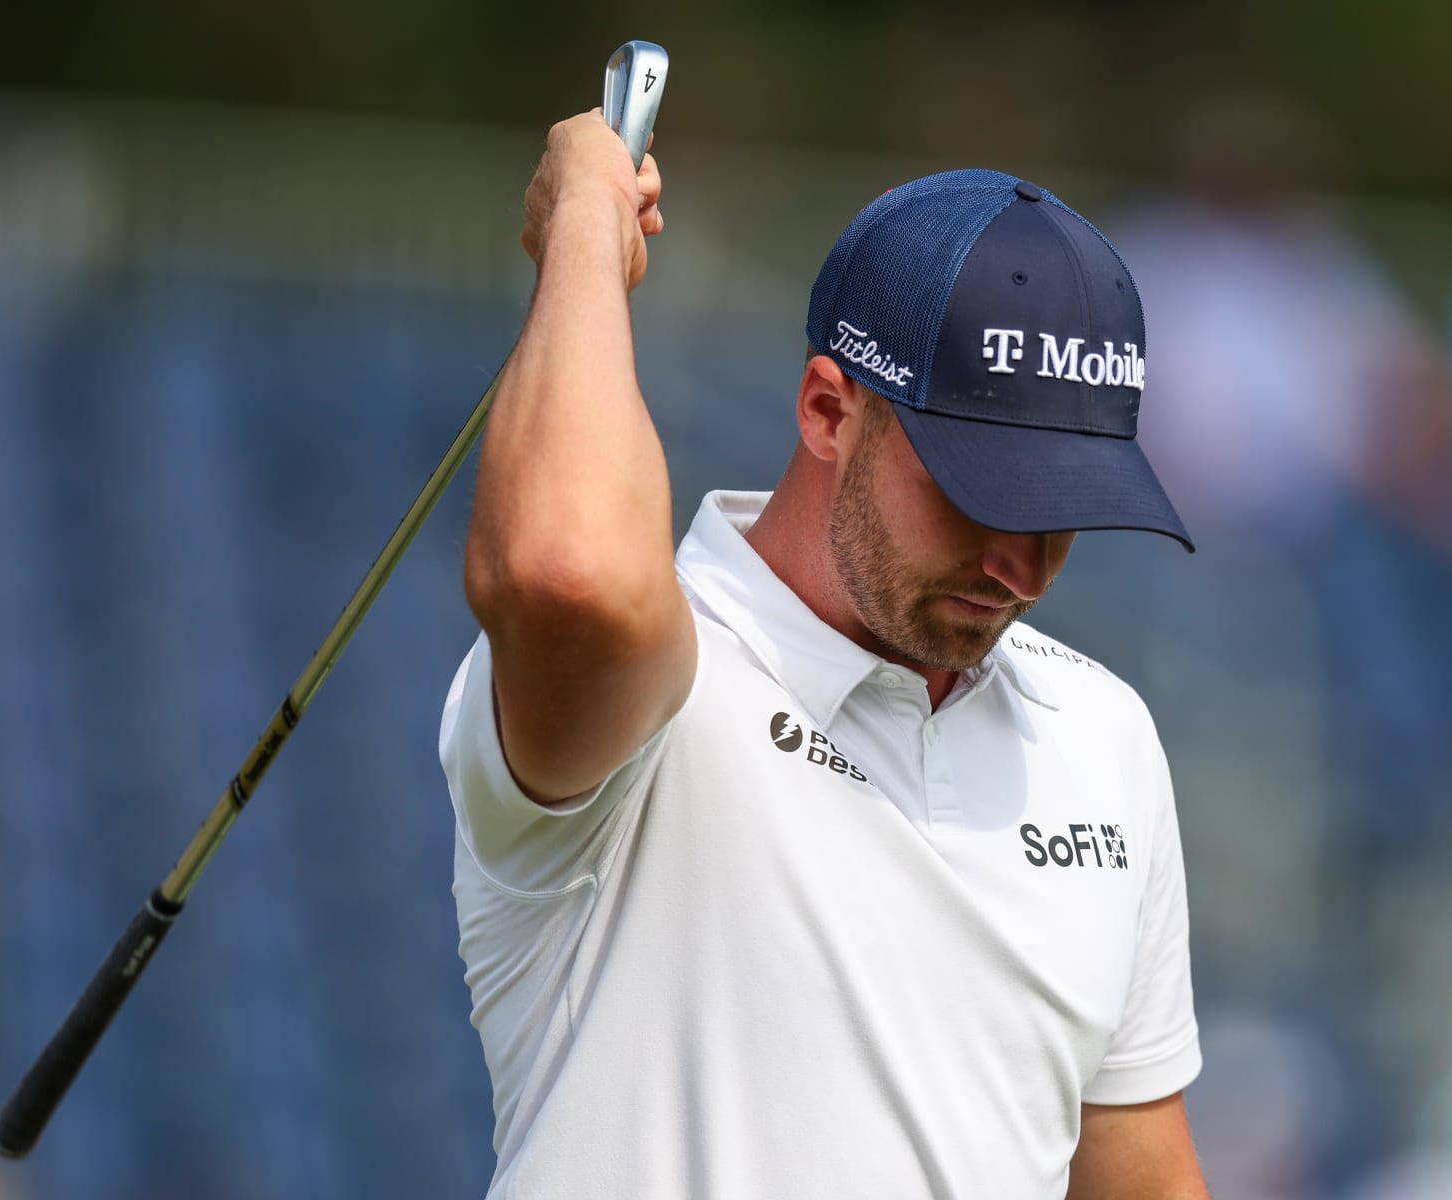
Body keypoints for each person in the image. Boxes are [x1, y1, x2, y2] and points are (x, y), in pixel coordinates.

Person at [440, 109, 1209, 1199]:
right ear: (826, 410)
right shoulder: (662, 677)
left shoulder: (1105, 736)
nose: (1022, 571)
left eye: (1064, 513)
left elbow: (1145, 1185)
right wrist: (584, 222)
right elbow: (567, 571)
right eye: (981, 498)